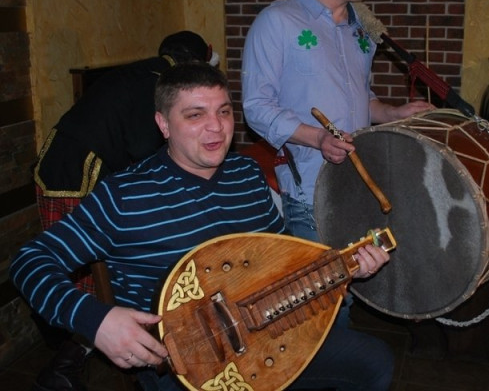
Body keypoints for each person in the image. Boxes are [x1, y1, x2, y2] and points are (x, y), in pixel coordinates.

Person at [11, 63, 394, 391]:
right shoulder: (124, 195)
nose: (216, 128)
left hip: (269, 333)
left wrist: (347, 267)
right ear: (163, 124)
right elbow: (30, 261)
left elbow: (284, 260)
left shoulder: (247, 175)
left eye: (223, 112)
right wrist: (96, 320)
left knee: (374, 361)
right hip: (186, 361)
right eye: (195, 115)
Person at [30, 30, 213, 391]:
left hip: (59, 162)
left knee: (92, 276)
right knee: (92, 280)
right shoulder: (161, 83)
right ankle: (64, 365)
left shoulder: (143, 70)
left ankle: (67, 361)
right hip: (79, 173)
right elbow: (146, 148)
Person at [242, 0, 434, 243]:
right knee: (325, 279)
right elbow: (256, 107)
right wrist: (318, 138)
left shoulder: (361, 29)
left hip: (359, 188)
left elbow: (360, 96)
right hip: (310, 194)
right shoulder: (277, 21)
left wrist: (393, 112)